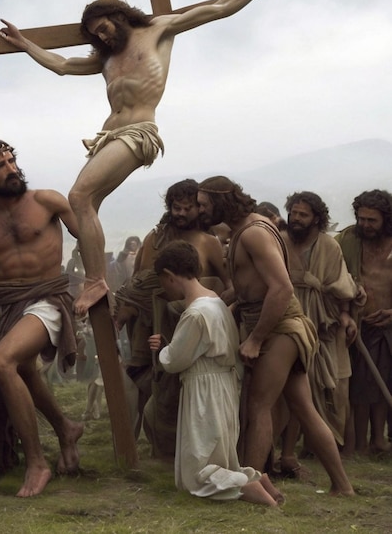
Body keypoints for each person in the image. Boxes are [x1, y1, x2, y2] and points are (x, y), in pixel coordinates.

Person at [0, 0, 296, 316]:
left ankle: (95, 281)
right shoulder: (104, 58)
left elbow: (219, 9)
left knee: (78, 195)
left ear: (118, 16)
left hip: (139, 133)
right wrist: (24, 43)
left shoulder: (157, 30)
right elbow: (62, 65)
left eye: (105, 28)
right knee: (85, 206)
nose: (104, 37)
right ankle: (92, 271)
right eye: (97, 34)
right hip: (109, 135)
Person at [196, 176, 353, 496]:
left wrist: (255, 338)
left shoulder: (254, 233)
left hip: (280, 328)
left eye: (203, 204)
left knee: (259, 405)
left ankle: (254, 487)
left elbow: (281, 289)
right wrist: (210, 304)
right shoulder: (246, 229)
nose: (200, 210)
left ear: (220, 202)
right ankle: (342, 486)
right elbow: (247, 288)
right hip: (276, 326)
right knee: (303, 409)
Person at [0, 140, 84, 497]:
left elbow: (88, 231)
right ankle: (65, 429)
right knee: (24, 370)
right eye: (0, 165)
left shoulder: (48, 201)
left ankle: (36, 462)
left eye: (12, 161)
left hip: (48, 299)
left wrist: (96, 281)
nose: (12, 169)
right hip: (6, 302)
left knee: (2, 362)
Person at [147, 240, 282, 505]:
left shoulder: (195, 314)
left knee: (196, 471)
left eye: (163, 281)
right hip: (224, 384)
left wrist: (163, 350)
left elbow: (175, 360)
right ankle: (257, 479)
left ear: (170, 277)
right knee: (218, 456)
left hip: (203, 390)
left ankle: (246, 486)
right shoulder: (216, 302)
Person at [114, 178, 230, 453]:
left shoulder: (208, 242)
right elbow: (137, 284)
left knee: (182, 386)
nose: (179, 213)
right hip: (148, 324)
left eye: (187, 208)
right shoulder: (156, 238)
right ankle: (148, 444)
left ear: (198, 209)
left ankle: (184, 447)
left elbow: (227, 285)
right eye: (175, 207)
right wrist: (121, 317)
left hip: (189, 325)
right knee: (146, 383)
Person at [278, 192, 362, 474]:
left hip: (323, 323)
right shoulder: (280, 241)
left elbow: (342, 285)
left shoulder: (328, 246)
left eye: (303, 215)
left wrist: (346, 315)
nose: (296, 219)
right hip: (286, 321)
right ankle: (286, 451)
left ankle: (331, 447)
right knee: (289, 386)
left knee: (333, 385)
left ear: (316, 218)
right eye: (294, 213)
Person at [336, 189, 392, 455]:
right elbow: (335, 274)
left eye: (372, 220)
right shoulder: (347, 240)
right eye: (362, 219)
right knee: (358, 383)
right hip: (356, 323)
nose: (365, 225)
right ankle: (358, 441)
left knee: (382, 381)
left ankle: (378, 439)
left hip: (388, 324)